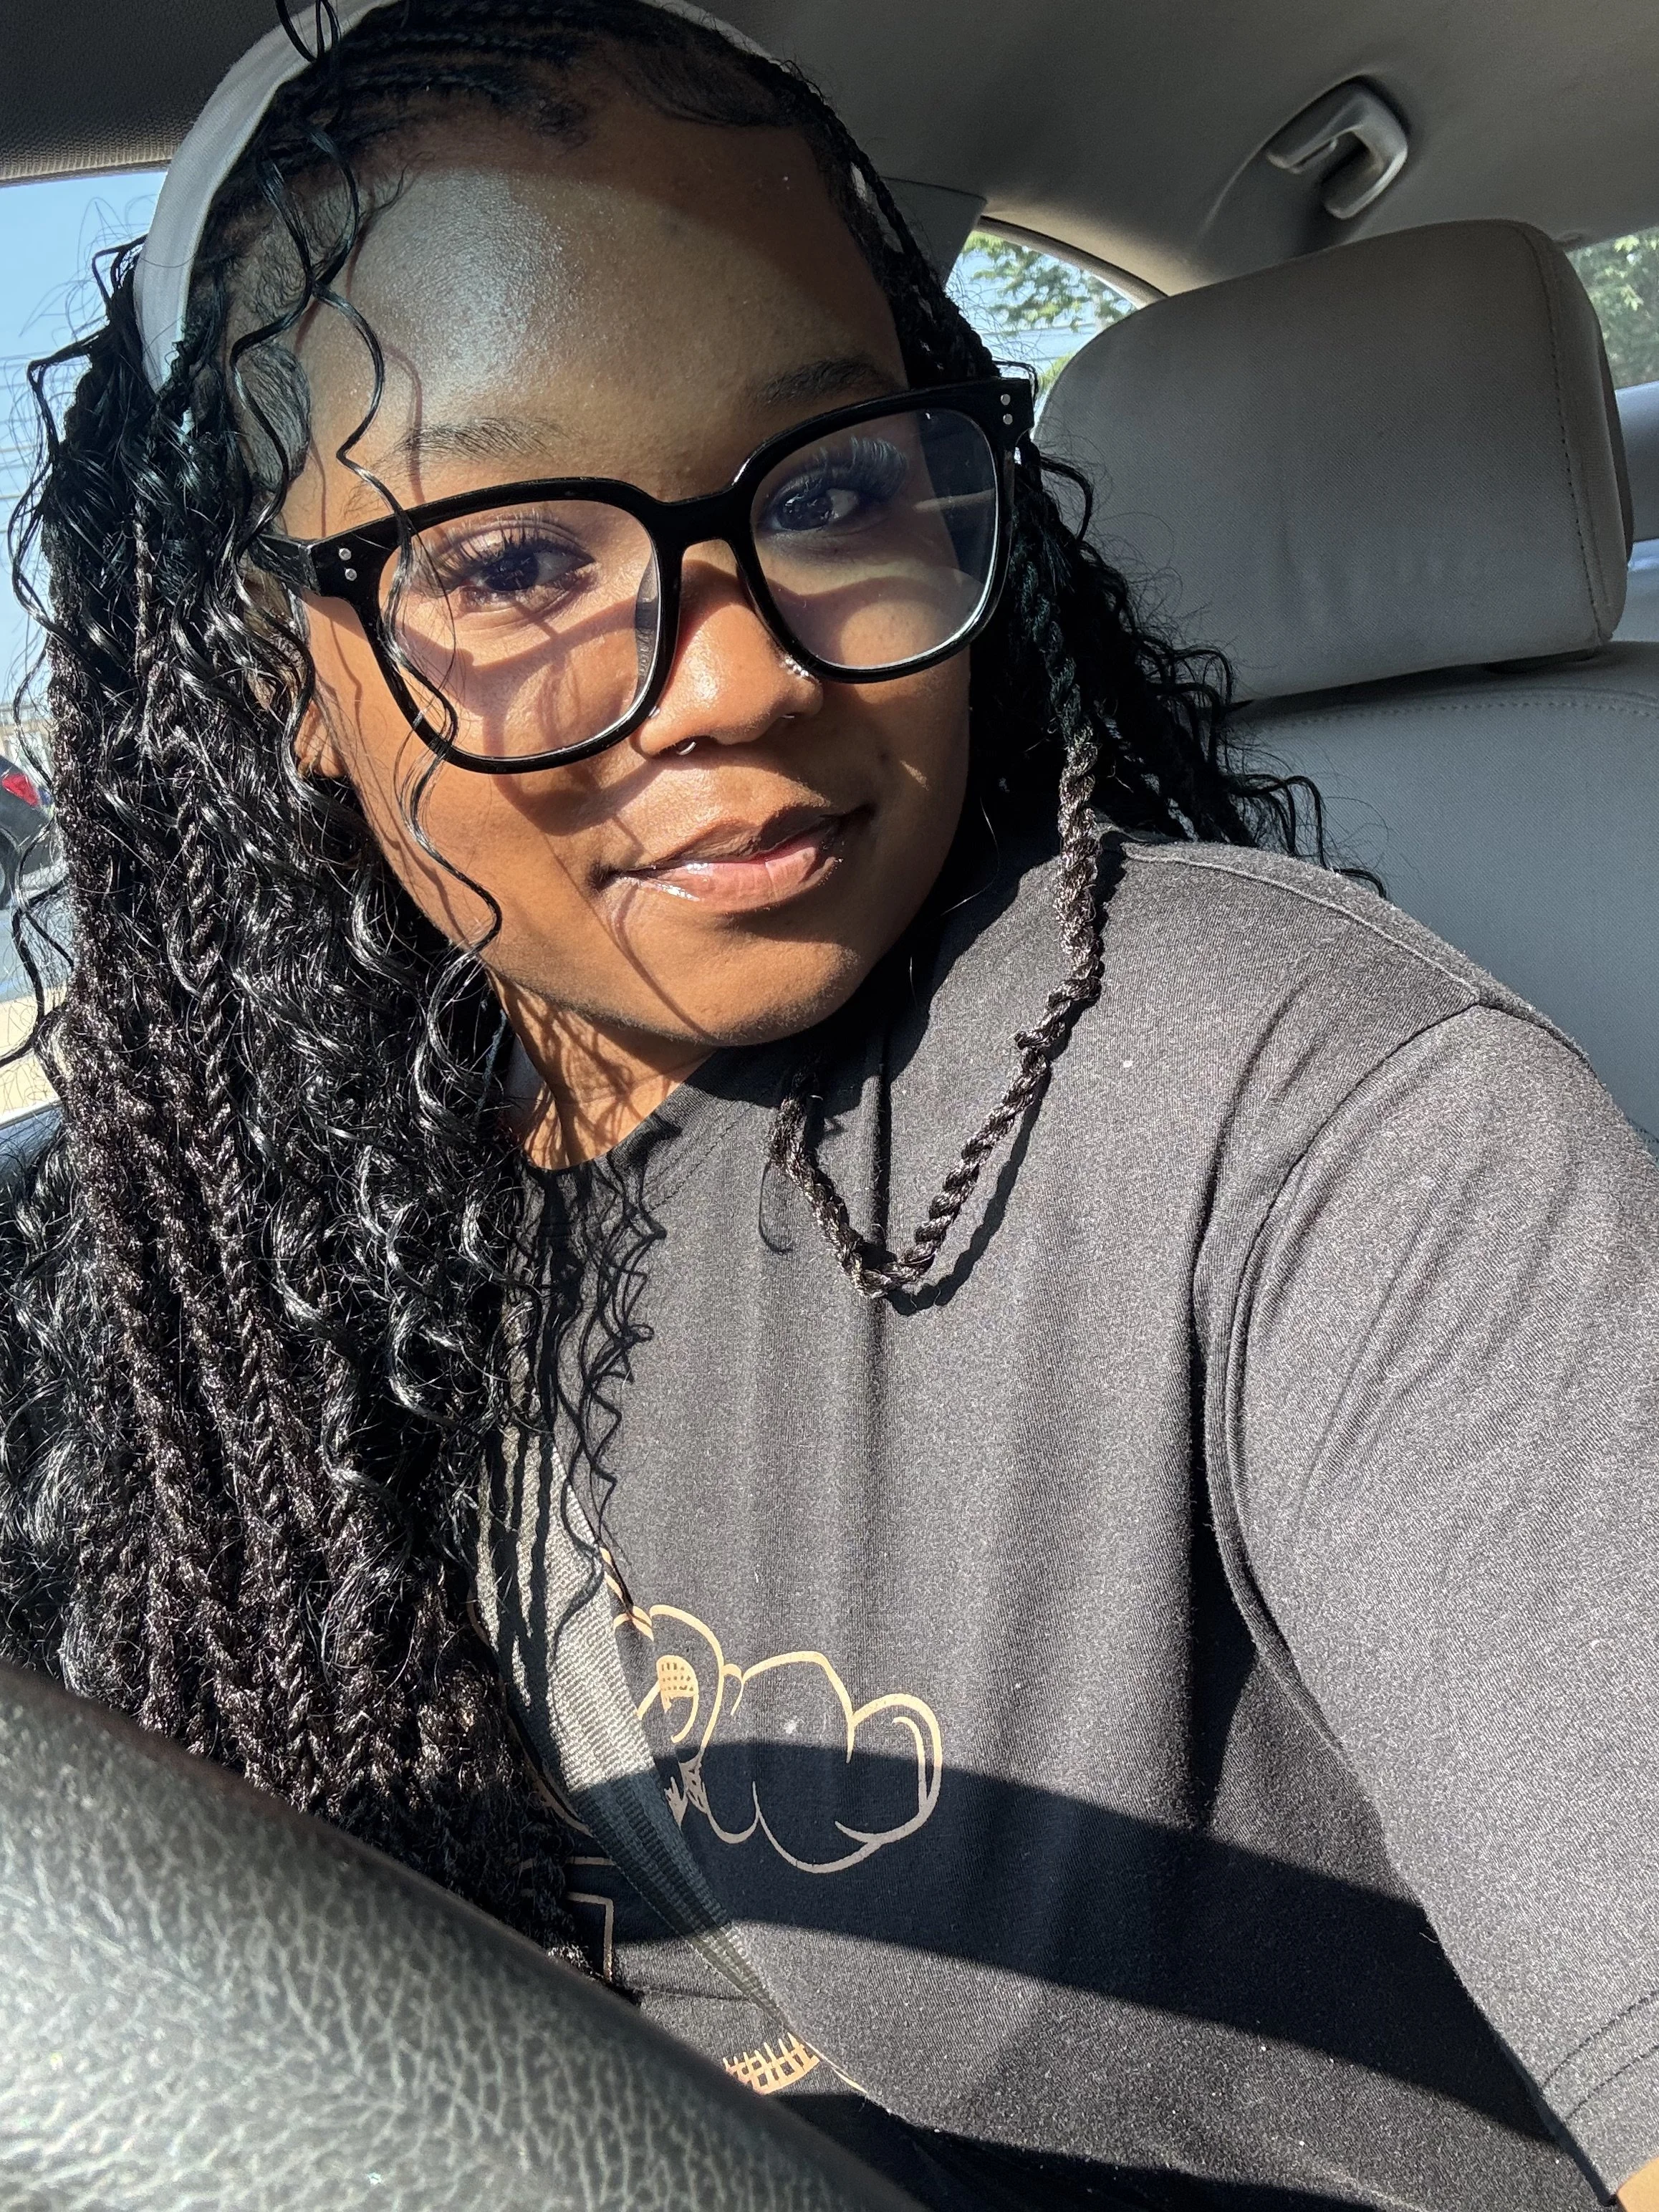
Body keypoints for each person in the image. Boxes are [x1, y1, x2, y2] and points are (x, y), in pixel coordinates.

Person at [4, 4, 1655, 2207]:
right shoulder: (162, 1267)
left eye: (839, 492)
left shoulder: (1286, 1105)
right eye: (508, 563)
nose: (748, 669)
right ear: (274, 666)